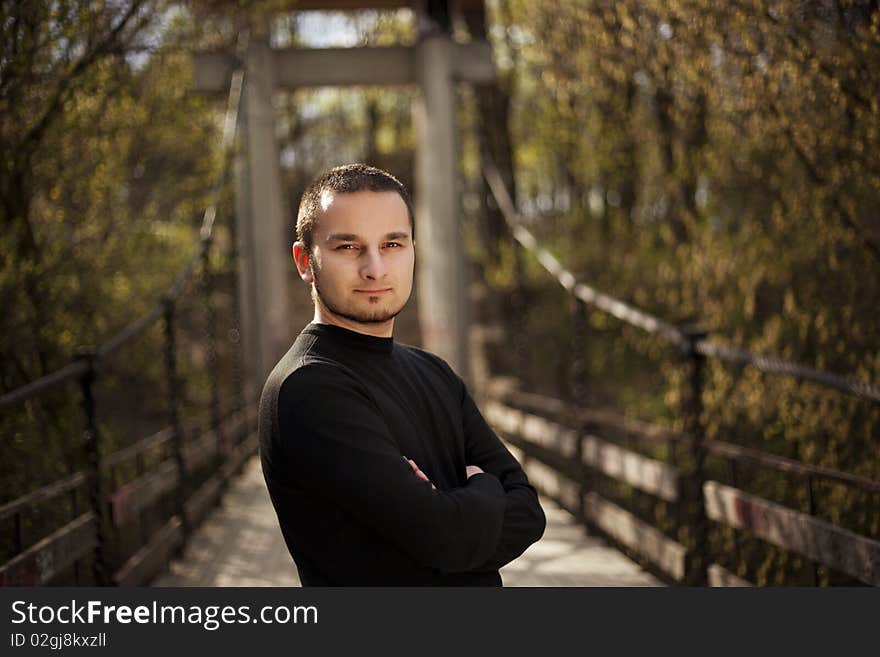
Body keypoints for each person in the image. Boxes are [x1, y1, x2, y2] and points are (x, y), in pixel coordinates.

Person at [258, 163, 545, 586]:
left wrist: (452, 513)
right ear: (305, 261)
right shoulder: (307, 387)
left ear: (413, 248)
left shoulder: (435, 373)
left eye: (392, 243)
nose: (375, 269)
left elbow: (529, 512)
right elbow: (447, 540)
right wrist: (485, 490)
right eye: (348, 248)